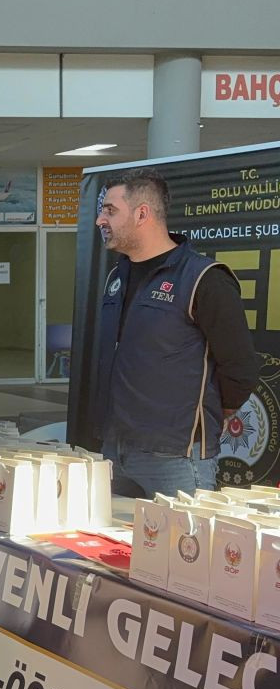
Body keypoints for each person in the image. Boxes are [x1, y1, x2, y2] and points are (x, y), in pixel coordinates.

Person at [94, 168, 259, 496]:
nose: (100, 220)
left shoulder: (204, 278)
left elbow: (240, 369)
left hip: (175, 459)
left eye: (110, 211)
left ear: (142, 214)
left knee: (182, 547)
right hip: (116, 449)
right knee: (117, 547)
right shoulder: (118, 276)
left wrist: (203, 419)